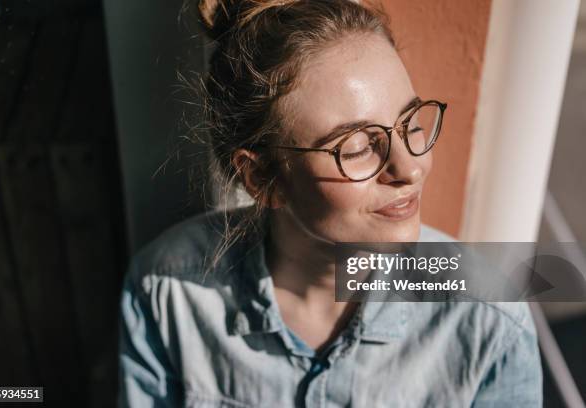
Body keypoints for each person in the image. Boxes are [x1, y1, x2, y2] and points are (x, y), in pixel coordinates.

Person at [118, 0, 543, 406]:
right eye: (357, 146)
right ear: (262, 176)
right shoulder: (168, 293)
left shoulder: (488, 319)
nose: (411, 168)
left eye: (409, 122)